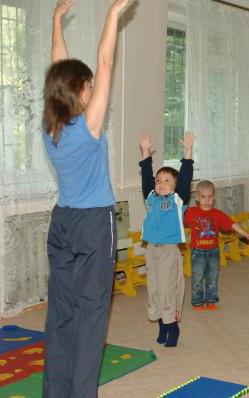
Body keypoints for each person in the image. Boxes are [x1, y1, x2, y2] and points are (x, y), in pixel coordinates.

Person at [42, 0, 131, 396]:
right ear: (80, 92)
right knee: (92, 315)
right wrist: (113, 15)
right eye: (89, 85)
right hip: (94, 225)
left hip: (61, 224)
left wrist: (56, 20)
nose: (95, 86)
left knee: (61, 314)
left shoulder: (51, 126)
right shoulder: (88, 127)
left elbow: (56, 71)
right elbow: (106, 62)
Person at [139, 132, 195, 348]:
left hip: (169, 251)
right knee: (153, 288)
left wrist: (187, 152)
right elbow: (146, 177)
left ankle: (172, 327)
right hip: (151, 249)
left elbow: (186, 176)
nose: (161, 183)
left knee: (167, 289)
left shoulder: (177, 199)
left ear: (174, 185)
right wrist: (145, 153)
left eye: (167, 180)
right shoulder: (151, 197)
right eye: (159, 180)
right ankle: (162, 324)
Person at [184, 180, 249, 311]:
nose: (207, 200)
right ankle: (197, 302)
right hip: (197, 252)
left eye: (210, 196)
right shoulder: (191, 212)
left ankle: (211, 300)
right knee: (197, 278)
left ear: (214, 197)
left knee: (212, 277)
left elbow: (232, 224)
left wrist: (245, 234)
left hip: (213, 252)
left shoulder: (217, 214)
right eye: (203, 197)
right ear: (196, 197)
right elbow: (177, 221)